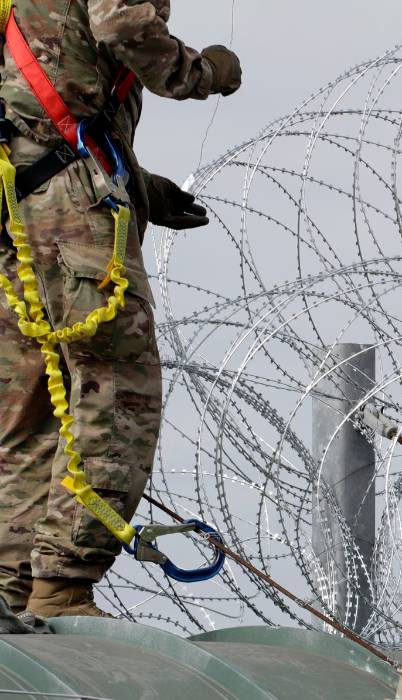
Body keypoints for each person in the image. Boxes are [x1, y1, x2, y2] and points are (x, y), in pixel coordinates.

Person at [0, 0, 242, 618]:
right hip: (64, 205)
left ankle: (16, 583)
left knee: (31, 406)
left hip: (19, 203)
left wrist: (142, 188)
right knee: (117, 384)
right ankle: (62, 581)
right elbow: (120, 26)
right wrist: (203, 71)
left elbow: (47, 105)